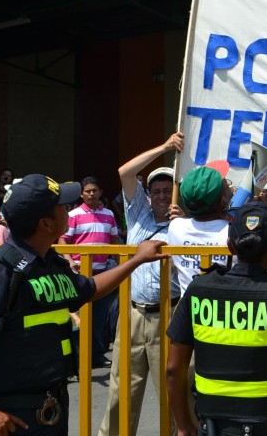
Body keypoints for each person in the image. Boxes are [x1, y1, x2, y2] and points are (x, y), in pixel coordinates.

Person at [0, 173, 167, 436]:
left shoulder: (51, 264)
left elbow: (89, 289)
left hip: (52, 402)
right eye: (62, 207)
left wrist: (135, 261)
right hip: (13, 413)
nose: (68, 211)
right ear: (46, 224)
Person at [166, 203, 267, 436]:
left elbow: (173, 369)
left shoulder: (198, 290)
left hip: (214, 428)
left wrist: (183, 426)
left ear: (230, 246)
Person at [97, 134, 184, 436]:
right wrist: (165, 148)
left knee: (174, 395)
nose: (161, 195)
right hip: (133, 314)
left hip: (169, 315)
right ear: (148, 195)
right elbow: (125, 172)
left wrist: (182, 224)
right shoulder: (138, 215)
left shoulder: (185, 224)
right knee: (122, 392)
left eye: (167, 190)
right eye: (156, 190)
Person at [59, 176, 121, 368]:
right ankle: (77, 358)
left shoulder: (109, 214)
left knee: (99, 317)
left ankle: (96, 355)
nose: (92, 194)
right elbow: (63, 241)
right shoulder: (74, 215)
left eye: (95, 190)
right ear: (81, 194)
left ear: (100, 193)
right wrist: (70, 262)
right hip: (80, 273)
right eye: (88, 191)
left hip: (102, 273)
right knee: (79, 317)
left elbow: (115, 242)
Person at [167, 164, 233, 295]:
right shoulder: (234, 232)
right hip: (225, 310)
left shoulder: (175, 227)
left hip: (190, 310)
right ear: (221, 200)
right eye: (225, 187)